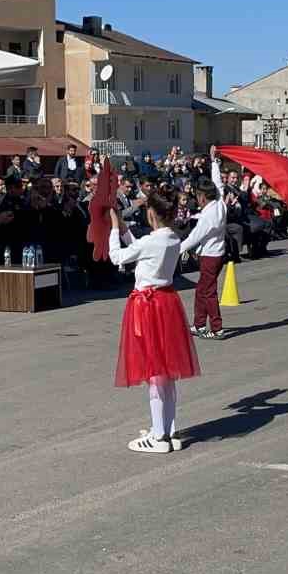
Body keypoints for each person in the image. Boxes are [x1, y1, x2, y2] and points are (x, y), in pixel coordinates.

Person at [108, 188, 201, 454]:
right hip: (166, 302)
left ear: (150, 214)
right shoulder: (172, 237)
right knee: (167, 373)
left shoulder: (152, 241)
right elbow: (142, 246)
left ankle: (159, 437)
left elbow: (119, 256)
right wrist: (125, 227)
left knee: (153, 372)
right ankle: (166, 430)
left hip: (147, 306)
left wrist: (115, 228)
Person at [181, 153, 227, 339]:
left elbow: (194, 238)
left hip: (210, 256)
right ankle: (199, 324)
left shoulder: (208, 217)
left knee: (208, 292)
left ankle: (217, 328)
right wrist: (214, 162)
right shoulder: (220, 204)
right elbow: (219, 185)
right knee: (202, 289)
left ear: (201, 197)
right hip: (218, 253)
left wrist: (174, 250)